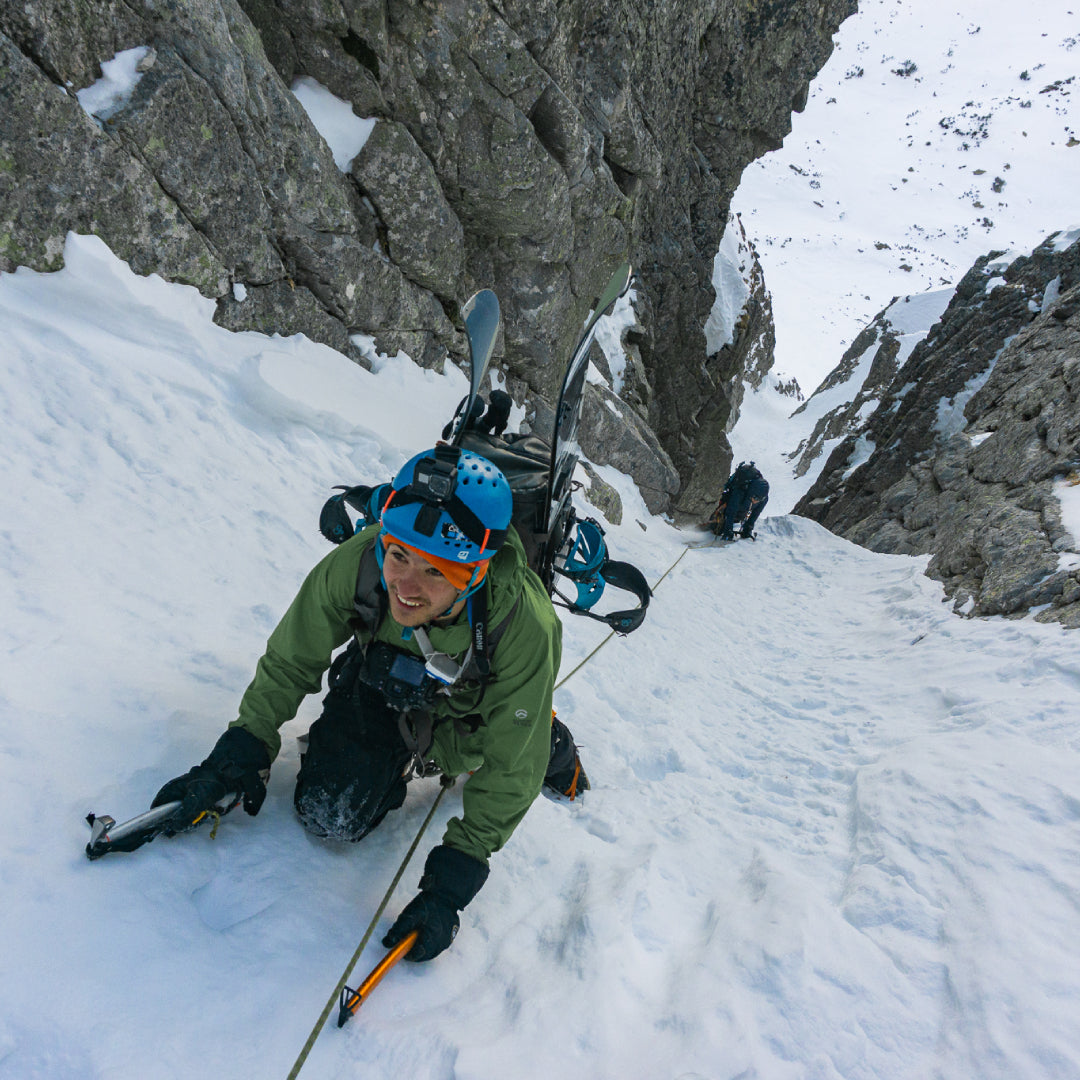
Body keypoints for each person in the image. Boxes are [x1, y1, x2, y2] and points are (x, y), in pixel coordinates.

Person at [151, 444, 587, 962]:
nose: (404, 585)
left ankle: (549, 735)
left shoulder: (523, 628)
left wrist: (452, 882)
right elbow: (292, 657)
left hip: (472, 717)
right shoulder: (359, 564)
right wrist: (243, 745)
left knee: (520, 745)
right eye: (398, 555)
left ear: (473, 574)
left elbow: (512, 768)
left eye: (434, 572)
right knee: (329, 813)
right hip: (386, 687)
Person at [707, 461, 769, 540]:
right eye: (755, 498)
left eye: (759, 500)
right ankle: (710, 525)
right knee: (717, 530)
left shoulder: (763, 499)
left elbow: (755, 514)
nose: (756, 501)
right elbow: (731, 511)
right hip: (730, 505)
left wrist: (748, 529)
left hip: (742, 508)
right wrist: (728, 530)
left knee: (738, 517)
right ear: (751, 493)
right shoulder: (740, 492)